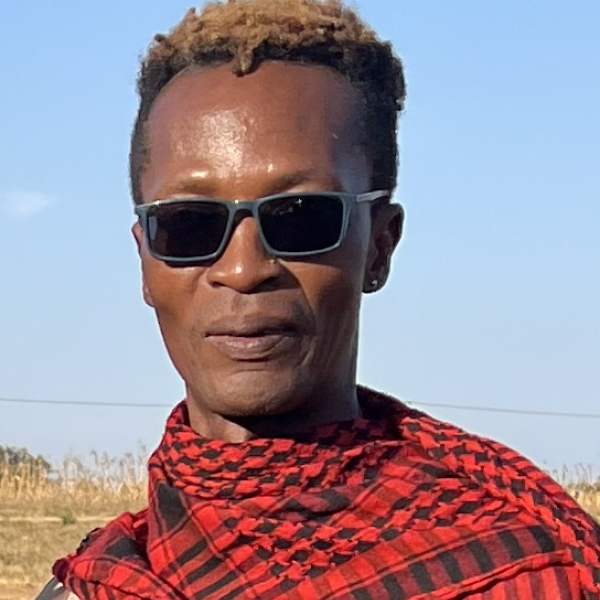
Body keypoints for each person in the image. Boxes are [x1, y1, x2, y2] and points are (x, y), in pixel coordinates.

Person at [36, 0, 600, 598]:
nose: (243, 269)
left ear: (379, 247)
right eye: (189, 225)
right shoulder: (99, 583)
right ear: (145, 263)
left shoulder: (529, 570)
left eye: (300, 218)